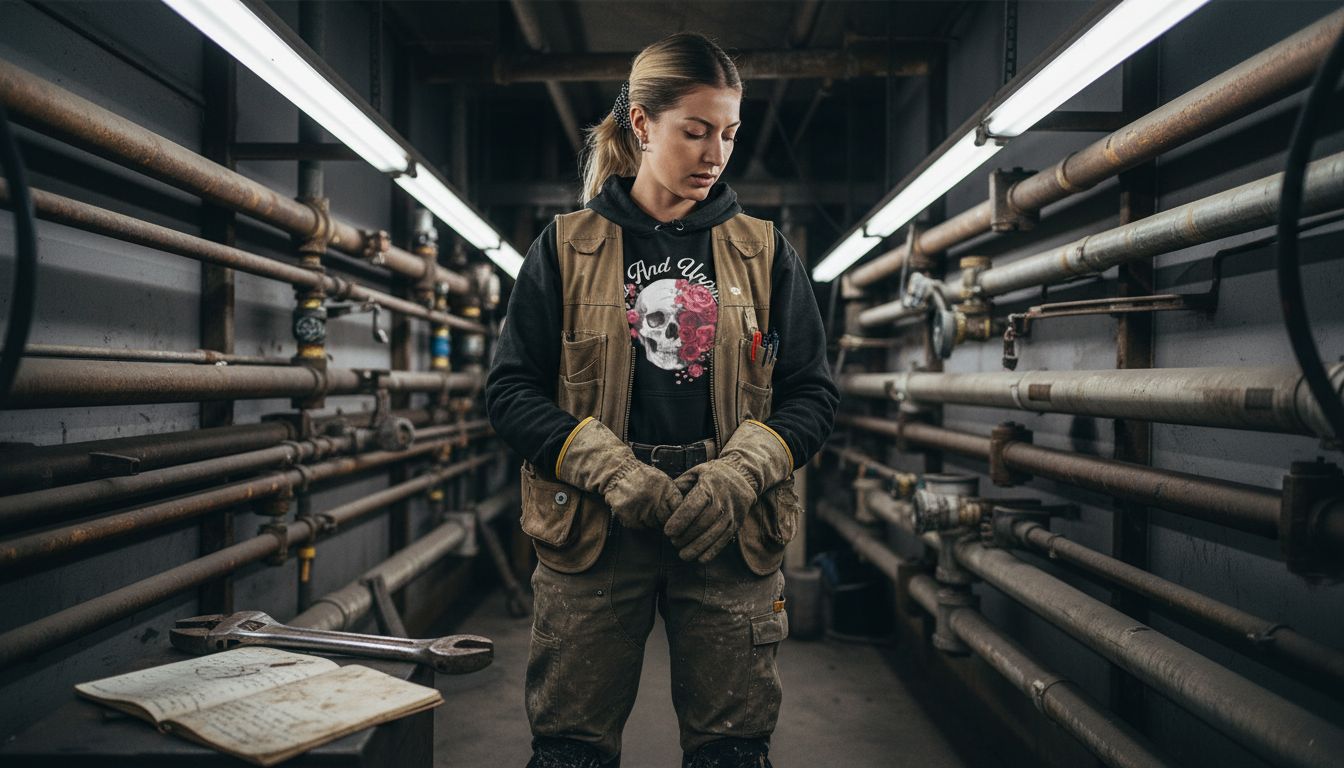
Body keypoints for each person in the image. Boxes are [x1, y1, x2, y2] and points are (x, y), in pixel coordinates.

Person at [486, 31, 838, 768]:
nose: (716, 153)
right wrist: (612, 471)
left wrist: (739, 473)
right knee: (570, 749)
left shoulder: (767, 252)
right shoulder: (565, 248)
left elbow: (811, 395)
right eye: (697, 130)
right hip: (593, 529)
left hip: (729, 528)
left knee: (733, 751)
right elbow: (510, 393)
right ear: (643, 125)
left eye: (730, 134)